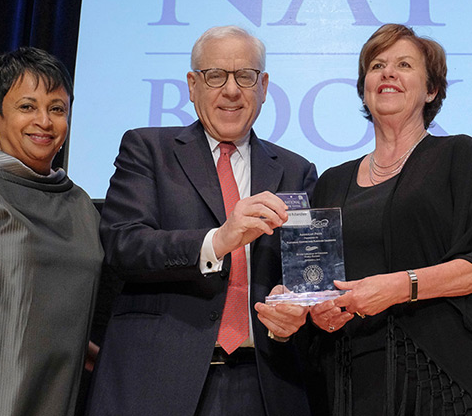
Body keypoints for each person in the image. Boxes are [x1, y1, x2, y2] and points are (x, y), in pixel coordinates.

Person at [85, 26, 317, 416]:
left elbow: (305, 272)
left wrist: (297, 306)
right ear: (192, 85)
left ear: (263, 86)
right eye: (215, 76)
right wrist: (218, 240)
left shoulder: (296, 171)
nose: (231, 90)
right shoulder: (147, 149)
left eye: (245, 76)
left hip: (262, 383)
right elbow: (124, 246)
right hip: (156, 379)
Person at [308, 24, 472, 415]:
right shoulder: (331, 181)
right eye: (377, 65)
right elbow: (315, 276)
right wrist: (318, 311)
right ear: (365, 86)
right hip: (349, 379)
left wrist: (402, 286)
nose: (388, 73)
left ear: (431, 90)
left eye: (404, 64)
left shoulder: (458, 156)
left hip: (437, 380)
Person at [0, 47, 103, 416]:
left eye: (57, 109)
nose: (44, 121)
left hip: (57, 397)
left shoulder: (79, 203)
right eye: (27, 107)